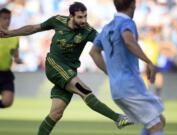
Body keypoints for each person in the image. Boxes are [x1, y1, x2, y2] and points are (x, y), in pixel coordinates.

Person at [0, 2, 132, 135]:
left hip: (69, 71)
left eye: (85, 16)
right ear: (71, 16)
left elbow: (103, 44)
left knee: (56, 113)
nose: (84, 20)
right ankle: (118, 118)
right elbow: (34, 28)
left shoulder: (88, 31)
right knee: (84, 91)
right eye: (80, 17)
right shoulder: (57, 21)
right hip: (54, 65)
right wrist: (10, 33)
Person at [90, 0, 166, 135]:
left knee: (158, 120)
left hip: (117, 88)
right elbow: (128, 40)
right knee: (156, 125)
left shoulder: (107, 27)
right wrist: (148, 61)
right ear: (133, 5)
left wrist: (110, 72)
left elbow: (93, 52)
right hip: (131, 85)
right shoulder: (127, 23)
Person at [0, 8, 22, 108]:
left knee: (7, 102)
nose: (7, 21)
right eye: (4, 18)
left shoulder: (14, 37)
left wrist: (17, 59)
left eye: (9, 18)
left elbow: (15, 54)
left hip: (5, 73)